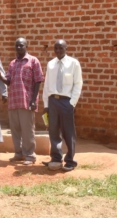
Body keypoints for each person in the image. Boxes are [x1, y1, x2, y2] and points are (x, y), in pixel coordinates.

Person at [0, 37, 44, 165]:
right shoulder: (13, 63)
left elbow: (38, 80)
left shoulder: (33, 61)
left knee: (28, 129)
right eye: (17, 46)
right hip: (14, 101)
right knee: (15, 129)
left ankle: (30, 155)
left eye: (21, 45)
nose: (18, 48)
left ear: (26, 46)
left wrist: (33, 100)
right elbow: (9, 81)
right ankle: (19, 153)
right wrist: (0, 77)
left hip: (26, 101)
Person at [42, 39, 83, 171]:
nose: (58, 51)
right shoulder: (51, 64)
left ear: (66, 49)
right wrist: (46, 104)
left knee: (68, 131)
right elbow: (47, 85)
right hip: (53, 100)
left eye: (61, 48)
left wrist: (72, 103)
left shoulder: (73, 63)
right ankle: (56, 158)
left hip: (66, 101)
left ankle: (70, 160)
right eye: (56, 49)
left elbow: (78, 84)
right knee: (53, 131)